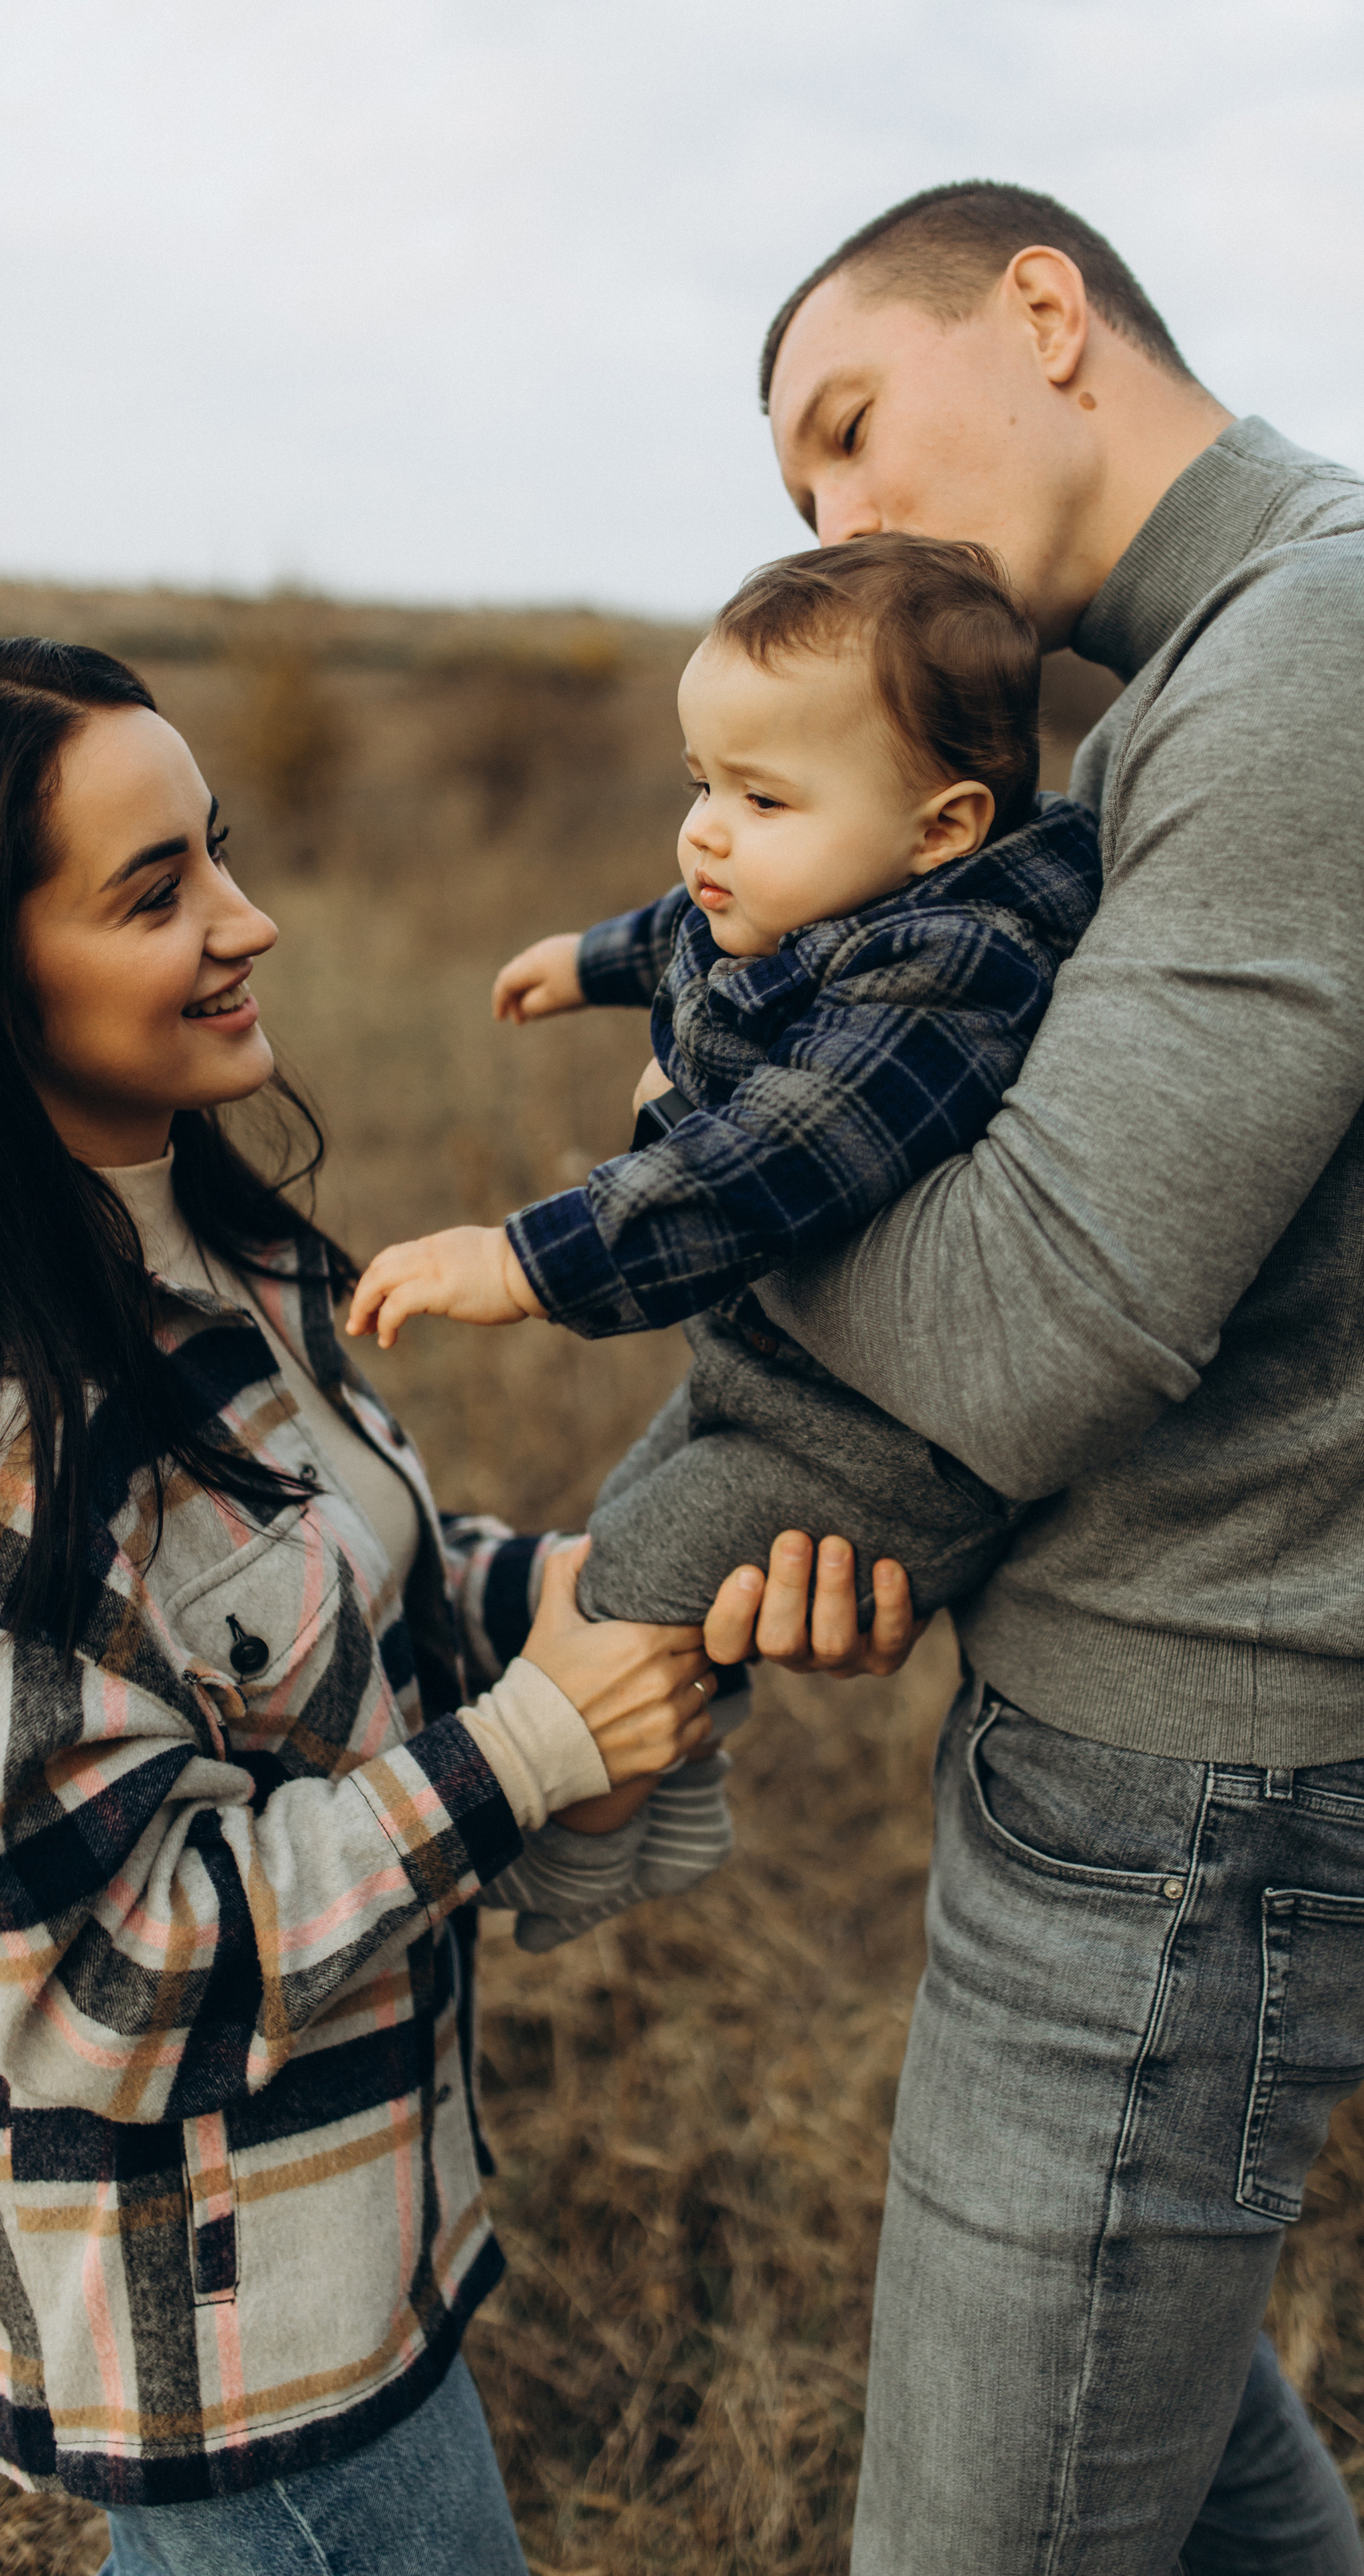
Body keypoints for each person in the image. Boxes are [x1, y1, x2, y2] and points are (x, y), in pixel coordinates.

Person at [744, 182, 1364, 2572]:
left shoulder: (1355, 644)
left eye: (850, 431)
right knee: (1166, 2439)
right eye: (799, 505)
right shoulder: (1217, 681)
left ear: (1045, 312)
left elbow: (1039, 1322)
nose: (845, 530)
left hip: (1195, 1791)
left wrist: (696, 1176)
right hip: (1146, 1728)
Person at [0, 639, 910, 2575]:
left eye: (218, 852)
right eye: (155, 894)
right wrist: (537, 1743)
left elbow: (368, 1602)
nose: (249, 921)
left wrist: (642, 1592)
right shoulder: (16, 1422)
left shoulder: (217, 1237)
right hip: (247, 2356)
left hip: (372, 2239)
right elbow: (102, 1977)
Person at [346, 535, 1100, 1638]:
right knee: (608, 1536)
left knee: (625, 1597)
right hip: (769, 1372)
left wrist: (523, 1261)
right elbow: (691, 923)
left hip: (876, 1448)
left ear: (943, 828)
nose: (706, 829)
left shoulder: (950, 975)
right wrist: (585, 961)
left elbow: (766, 1166)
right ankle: (632, 1785)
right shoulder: (828, 888)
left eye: (763, 799)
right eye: (703, 781)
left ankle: (616, 1805)